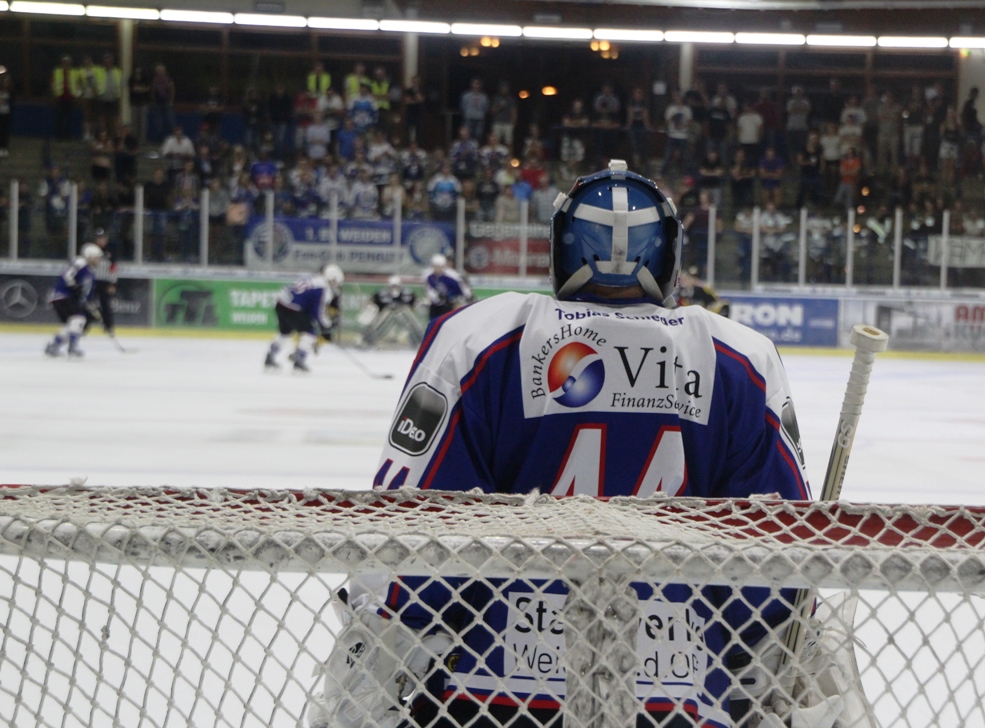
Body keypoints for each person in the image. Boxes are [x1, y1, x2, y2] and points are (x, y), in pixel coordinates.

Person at [310, 161, 863, 728]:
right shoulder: (739, 358)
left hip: (493, 696)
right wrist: (763, 674)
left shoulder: (485, 338)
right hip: (681, 697)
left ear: (561, 249)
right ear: (669, 255)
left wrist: (375, 671)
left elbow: (415, 535)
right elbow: (775, 557)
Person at [263, 264, 344, 372]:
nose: (335, 284)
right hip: (293, 307)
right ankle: (299, 360)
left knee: (285, 332)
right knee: (310, 332)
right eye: (335, 281)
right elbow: (318, 312)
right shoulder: (323, 288)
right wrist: (327, 325)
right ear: (332, 278)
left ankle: (270, 357)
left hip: (281, 303)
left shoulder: (314, 279)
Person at [45, 243, 103, 358]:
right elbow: (68, 276)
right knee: (78, 318)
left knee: (75, 323)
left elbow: (86, 294)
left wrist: (91, 306)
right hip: (62, 296)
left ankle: (55, 345)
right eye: (96, 257)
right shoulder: (80, 262)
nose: (98, 260)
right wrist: (75, 286)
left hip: (67, 297)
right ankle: (71, 347)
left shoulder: (89, 272)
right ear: (89, 256)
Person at [359, 275, 422, 347]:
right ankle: (367, 340)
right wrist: (368, 305)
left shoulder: (407, 293)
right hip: (384, 318)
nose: (394, 288)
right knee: (382, 314)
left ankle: (418, 340)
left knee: (407, 313)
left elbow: (415, 303)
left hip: (403, 317)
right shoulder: (382, 293)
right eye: (393, 286)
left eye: (396, 286)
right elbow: (371, 301)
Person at [422, 253, 471, 320]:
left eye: (438, 266)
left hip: (449, 304)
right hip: (436, 306)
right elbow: (429, 289)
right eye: (435, 266)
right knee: (433, 321)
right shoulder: (430, 277)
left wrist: (452, 297)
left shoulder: (451, 276)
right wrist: (436, 298)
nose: (436, 268)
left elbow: (462, 290)